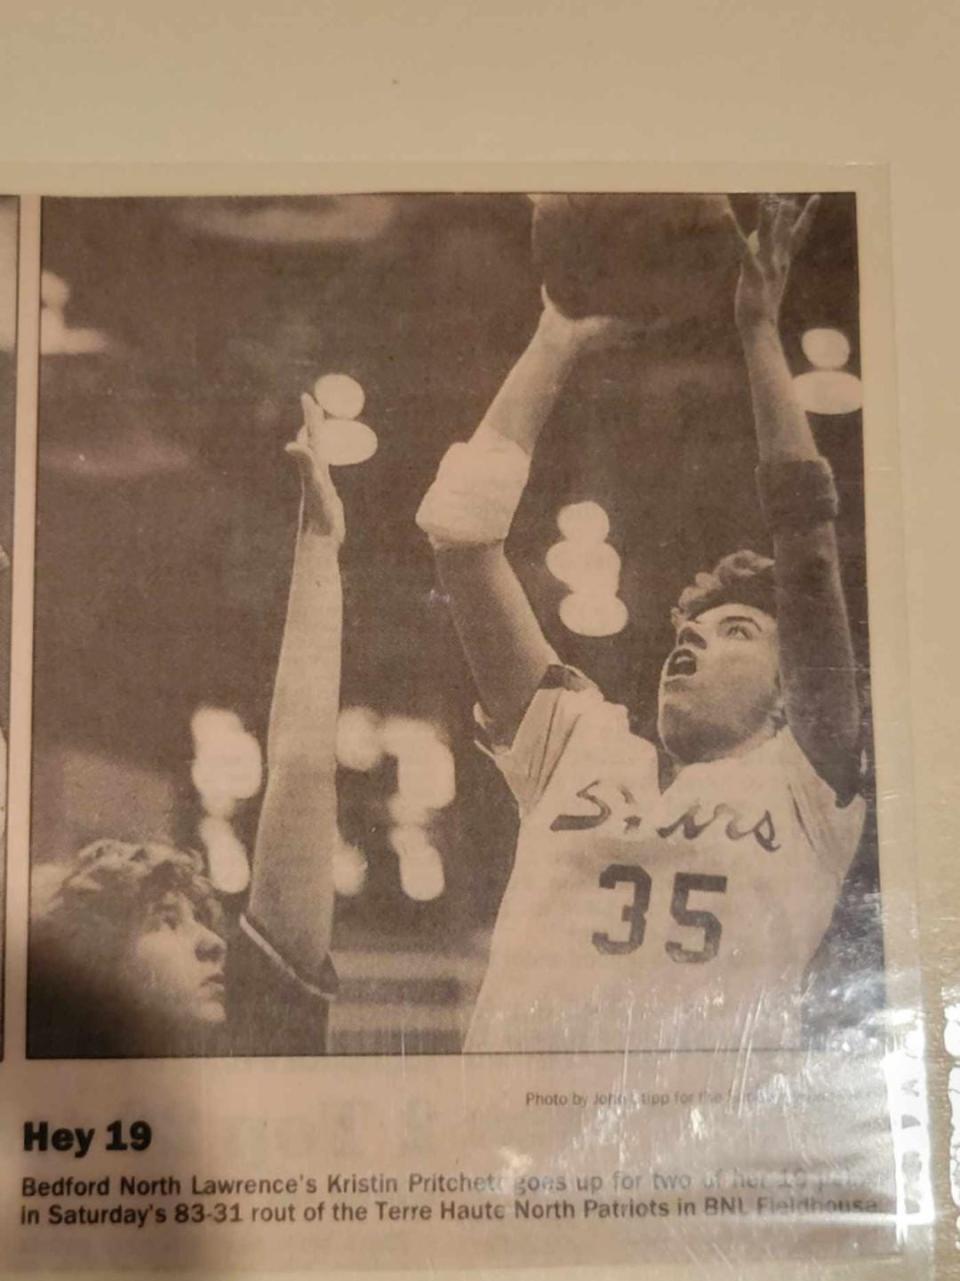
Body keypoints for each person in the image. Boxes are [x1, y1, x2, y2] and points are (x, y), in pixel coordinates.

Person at [417, 194, 866, 1053]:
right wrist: (556, 335)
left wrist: (760, 336)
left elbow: (808, 547)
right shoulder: (578, 747)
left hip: (697, 1174)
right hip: (502, 1166)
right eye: (688, 633)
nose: (690, 640)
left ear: (790, 701)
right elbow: (461, 538)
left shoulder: (805, 787)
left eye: (736, 630)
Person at [29, 395, 344, 1057]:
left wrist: (319, 545)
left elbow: (303, 765)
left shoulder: (255, 1041)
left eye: (200, 919)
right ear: (94, 974)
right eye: (165, 922)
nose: (211, 940)